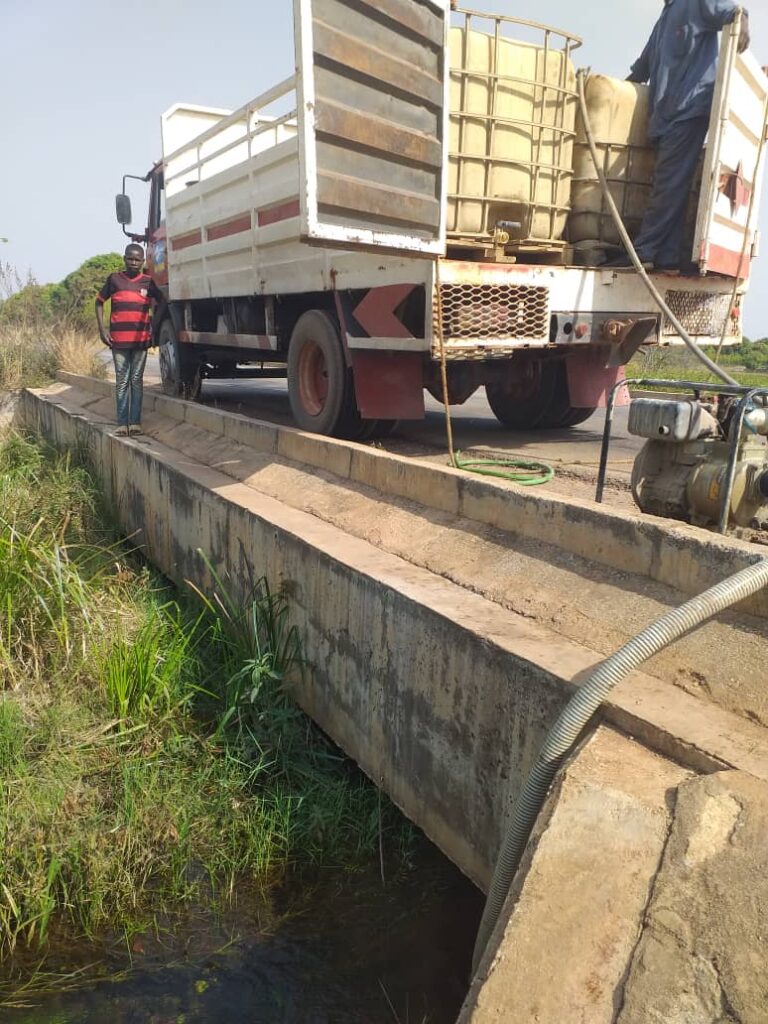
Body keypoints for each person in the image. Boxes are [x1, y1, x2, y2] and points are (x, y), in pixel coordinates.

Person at [609, 0, 750, 271]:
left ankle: (644, 251)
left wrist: (742, 21)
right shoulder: (664, 19)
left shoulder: (696, 2)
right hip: (664, 118)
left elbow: (733, 12)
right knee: (672, 185)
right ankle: (667, 256)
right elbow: (641, 70)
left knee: (668, 185)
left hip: (688, 109)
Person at [95, 244, 165, 436]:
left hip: (141, 341)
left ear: (143, 261)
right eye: (130, 258)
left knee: (136, 380)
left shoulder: (148, 282)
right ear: (124, 259)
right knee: (122, 381)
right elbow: (99, 302)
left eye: (137, 259)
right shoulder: (114, 280)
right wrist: (102, 330)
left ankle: (134, 423)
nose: (133, 262)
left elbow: (163, 302)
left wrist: (154, 329)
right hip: (118, 341)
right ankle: (121, 423)